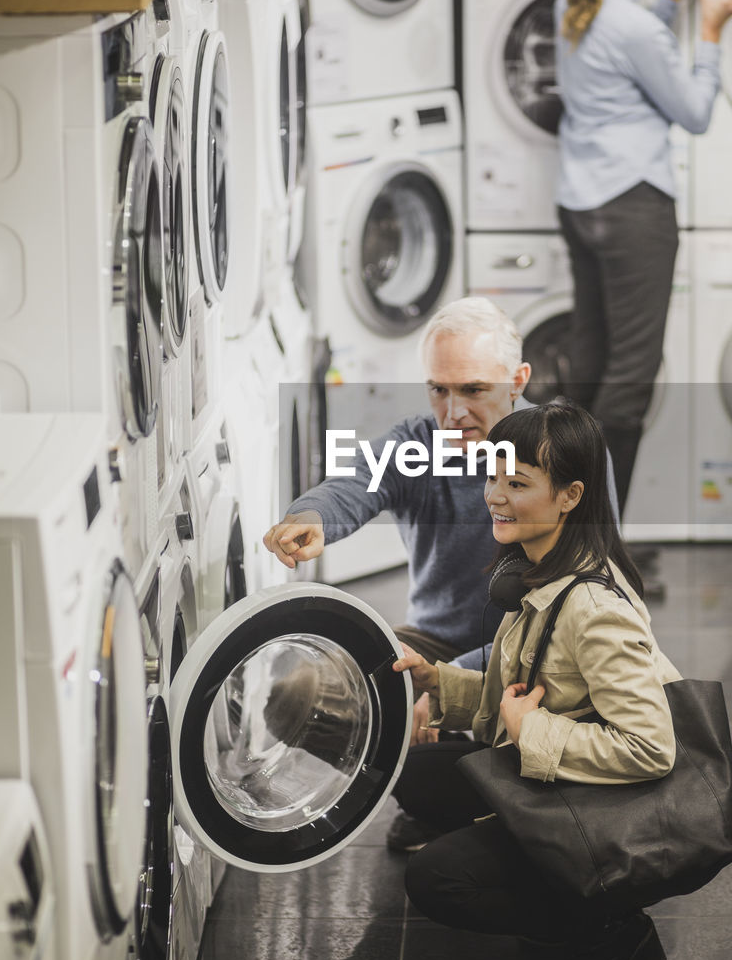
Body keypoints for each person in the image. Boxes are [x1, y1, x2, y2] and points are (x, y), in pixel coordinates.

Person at [264, 297, 620, 850]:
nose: (452, 412)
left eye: (473, 391)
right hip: (433, 638)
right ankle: (435, 795)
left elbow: (596, 587)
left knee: (531, 705)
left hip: (541, 648)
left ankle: (476, 798)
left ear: (518, 380)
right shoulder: (416, 444)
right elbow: (354, 480)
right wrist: (312, 516)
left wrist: (446, 681)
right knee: (295, 695)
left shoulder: (568, 451)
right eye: (438, 390)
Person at [391, 397, 682, 960]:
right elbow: (519, 693)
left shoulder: (593, 607)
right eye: (493, 476)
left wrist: (530, 733)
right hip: (560, 777)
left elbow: (651, 748)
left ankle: (603, 925)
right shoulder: (541, 567)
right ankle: (547, 876)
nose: (495, 495)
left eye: (517, 483)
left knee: (437, 880)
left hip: (602, 809)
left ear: (571, 496)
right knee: (415, 775)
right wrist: (438, 683)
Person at [554, 0, 732, 528]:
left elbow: (631, 51)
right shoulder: (631, 22)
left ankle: (558, 536)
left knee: (588, 366)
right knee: (631, 380)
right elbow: (692, 111)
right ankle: (599, 545)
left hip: (579, 202)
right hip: (633, 207)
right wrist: (714, 28)